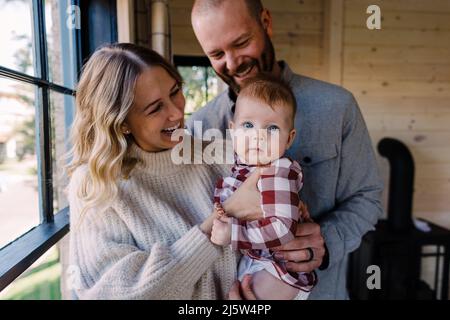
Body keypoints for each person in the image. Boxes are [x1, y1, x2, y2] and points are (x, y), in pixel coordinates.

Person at [188, 0, 384, 299]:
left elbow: (367, 198)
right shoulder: (200, 127)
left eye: (241, 43)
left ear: (266, 22)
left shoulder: (337, 107)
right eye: (216, 54)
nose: (232, 63)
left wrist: (326, 240)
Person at [67, 43, 264, 299]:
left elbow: (277, 242)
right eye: (155, 108)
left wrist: (303, 249)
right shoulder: (97, 185)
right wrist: (221, 219)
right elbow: (115, 294)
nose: (176, 112)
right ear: (123, 122)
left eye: (175, 92)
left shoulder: (226, 156)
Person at [210, 75, 317, 300]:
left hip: (277, 270)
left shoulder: (278, 170)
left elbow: (283, 229)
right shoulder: (240, 166)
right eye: (248, 125)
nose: (258, 136)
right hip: (256, 260)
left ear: (289, 139)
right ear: (233, 130)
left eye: (272, 128)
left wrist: (233, 232)